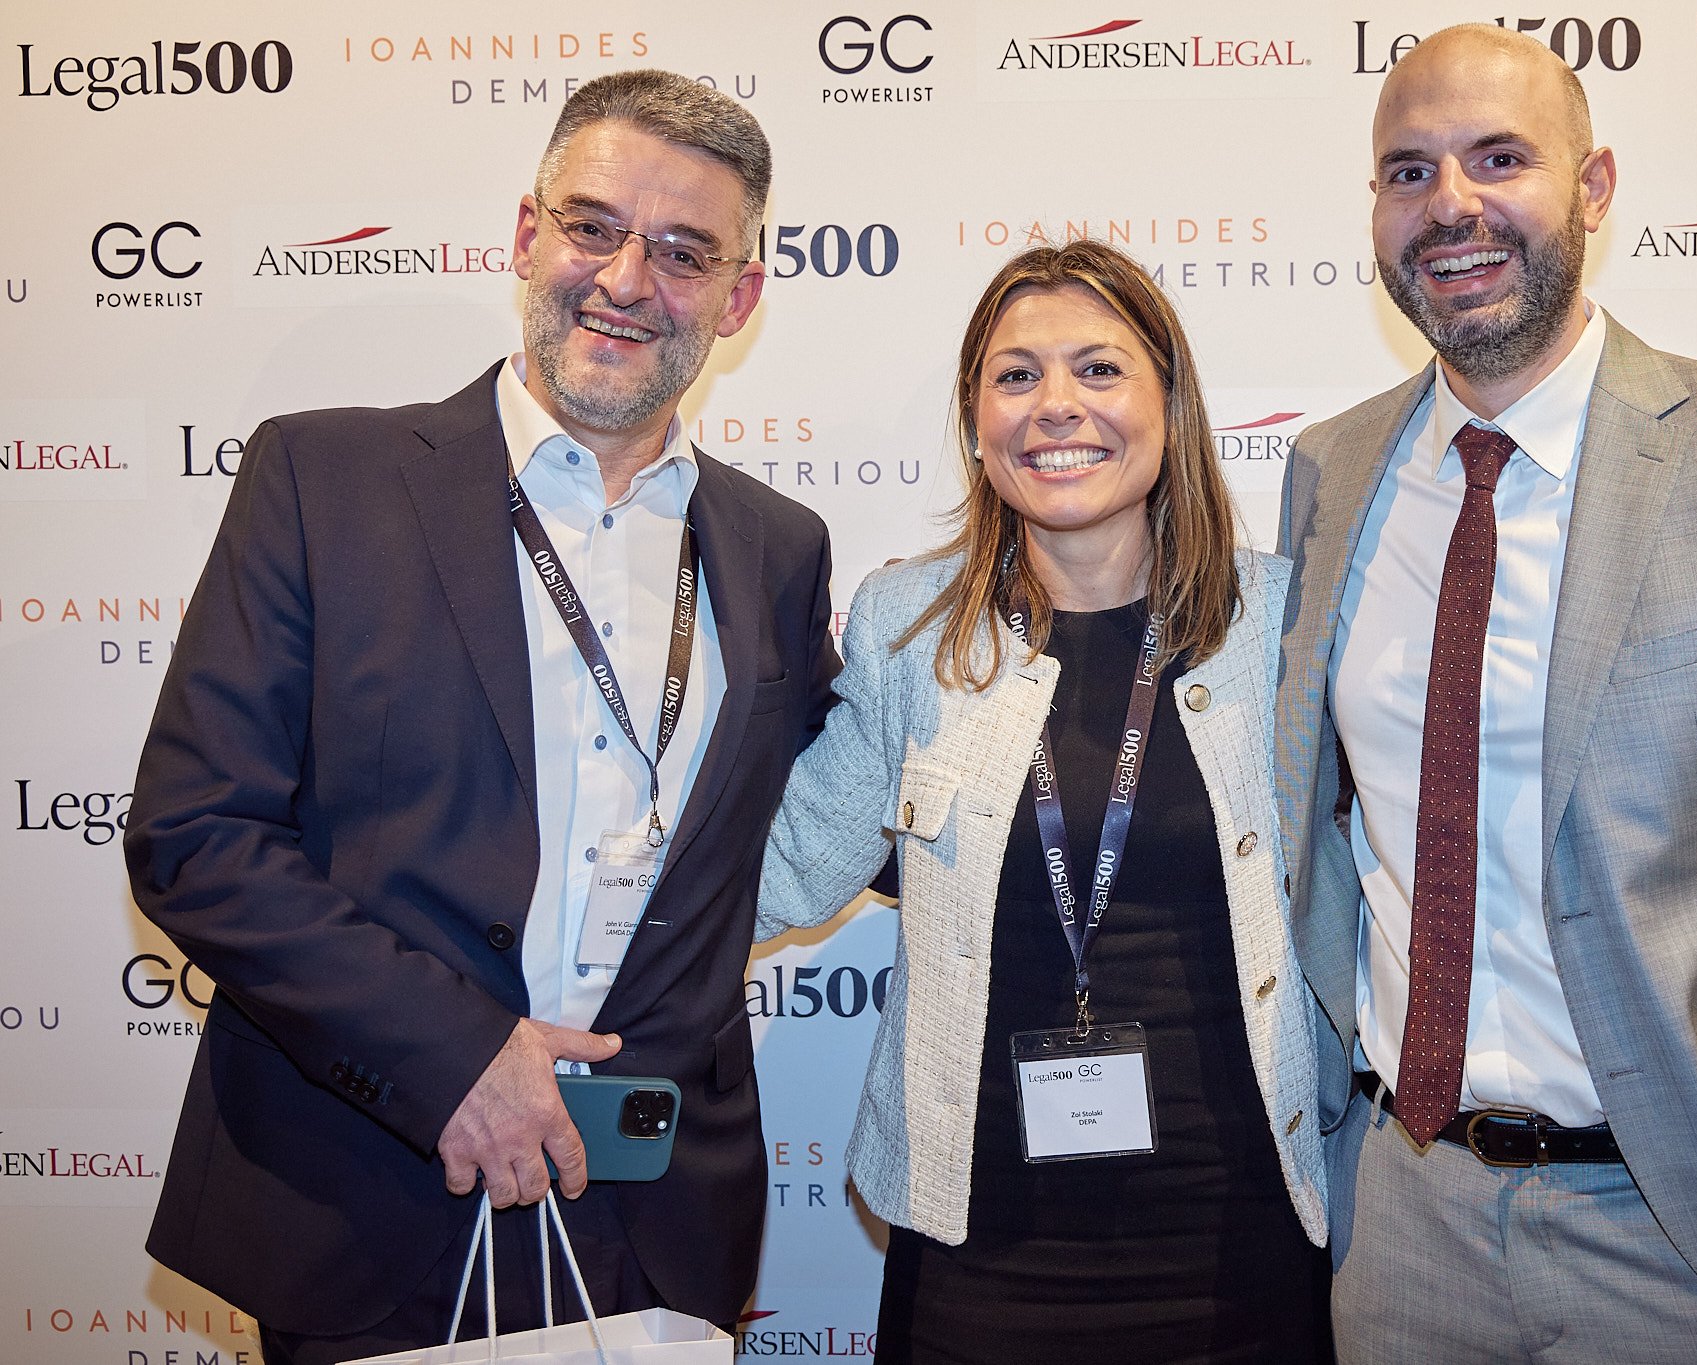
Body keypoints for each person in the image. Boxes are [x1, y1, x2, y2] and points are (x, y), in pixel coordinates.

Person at [124, 71, 837, 1365]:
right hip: (372, 1189)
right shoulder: (321, 479)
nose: (626, 279)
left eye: (684, 253)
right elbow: (197, 835)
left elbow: (850, 799)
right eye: (592, 227)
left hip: (654, 1218)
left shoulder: (777, 548)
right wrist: (450, 1058)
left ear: (739, 299)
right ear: (525, 235)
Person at [1273, 24, 1697, 1365]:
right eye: (1408, 171)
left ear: (1592, 187)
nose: (1451, 205)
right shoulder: (1330, 472)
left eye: (1499, 159)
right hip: (1404, 1225)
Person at [755, 240, 1330, 1364]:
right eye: (1015, 375)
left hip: (1242, 1230)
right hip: (980, 1244)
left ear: (1170, 405)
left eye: (1099, 369)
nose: (1055, 405)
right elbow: (790, 866)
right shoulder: (909, 629)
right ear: (977, 423)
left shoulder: (1280, 621)